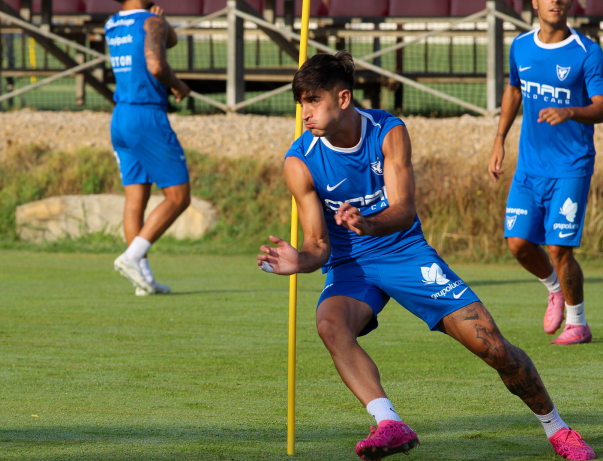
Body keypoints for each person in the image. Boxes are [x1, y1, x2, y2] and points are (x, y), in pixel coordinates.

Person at [258, 51, 595, 460]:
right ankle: (389, 422)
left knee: (493, 347)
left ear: (343, 98)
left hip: (405, 251)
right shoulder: (299, 161)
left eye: (313, 100)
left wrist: (368, 222)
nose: (304, 113)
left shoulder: (387, 131)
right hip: (350, 263)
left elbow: (404, 210)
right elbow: (318, 243)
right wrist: (302, 262)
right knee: (330, 325)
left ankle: (558, 429)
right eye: (300, 103)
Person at [489, 0, 603, 344]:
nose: (555, 0)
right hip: (529, 166)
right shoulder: (521, 46)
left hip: (571, 165)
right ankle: (554, 289)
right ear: (534, 3)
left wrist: (571, 111)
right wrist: (499, 140)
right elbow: (513, 90)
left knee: (558, 249)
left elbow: (601, 106)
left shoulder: (588, 51)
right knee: (518, 243)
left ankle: (577, 323)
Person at [105, 0, 192, 295]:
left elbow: (170, 39)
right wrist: (179, 86)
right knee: (179, 196)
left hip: (120, 116)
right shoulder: (151, 22)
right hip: (147, 116)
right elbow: (157, 64)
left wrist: (160, 24)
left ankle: (141, 279)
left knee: (135, 199)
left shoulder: (113, 23)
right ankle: (131, 258)